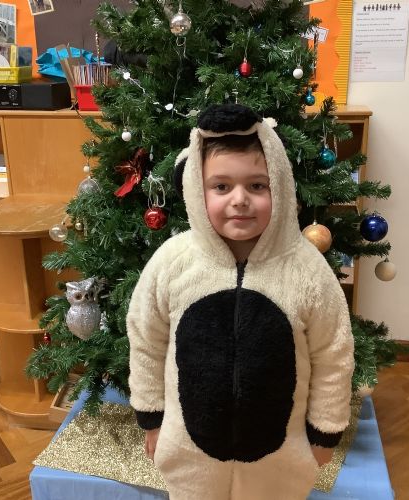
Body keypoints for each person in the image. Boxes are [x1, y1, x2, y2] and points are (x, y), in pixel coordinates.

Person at [127, 103, 354, 500]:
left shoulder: (306, 268)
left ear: (280, 186)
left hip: (280, 462)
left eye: (257, 186)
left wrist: (325, 433)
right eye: (221, 186)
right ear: (196, 189)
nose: (239, 199)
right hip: (189, 454)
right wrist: (152, 418)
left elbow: (333, 354)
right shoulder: (172, 262)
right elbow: (146, 340)